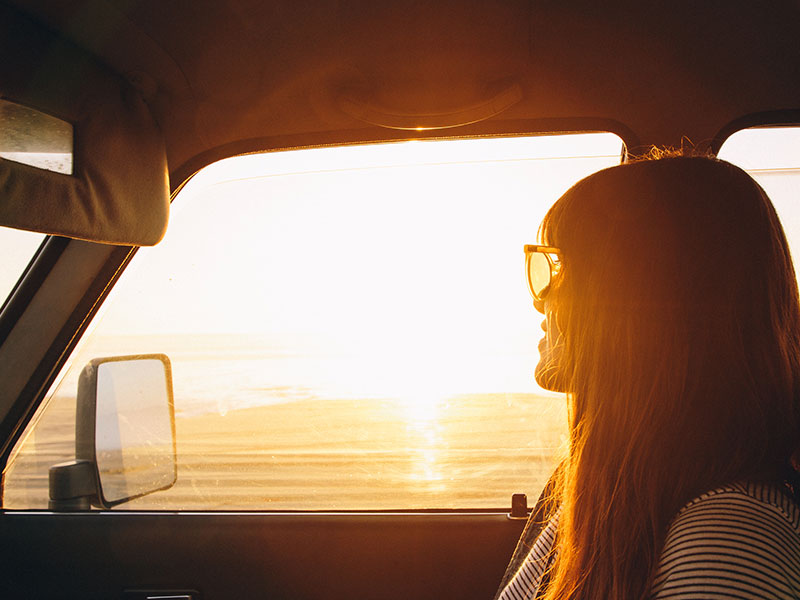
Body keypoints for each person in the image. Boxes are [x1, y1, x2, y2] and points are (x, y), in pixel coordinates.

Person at [496, 154, 800, 600]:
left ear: (634, 300)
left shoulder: (726, 537)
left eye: (560, 267)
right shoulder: (605, 489)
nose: (541, 302)